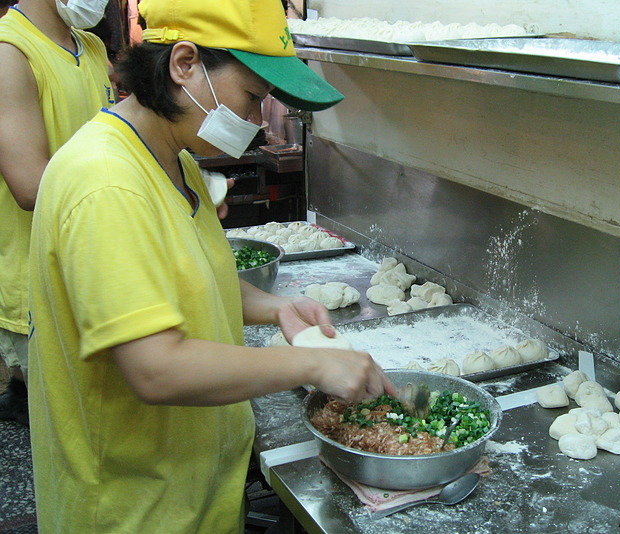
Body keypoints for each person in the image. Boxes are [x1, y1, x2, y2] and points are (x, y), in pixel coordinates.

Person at [27, 0, 394, 531]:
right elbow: (156, 368)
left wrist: (276, 308)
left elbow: (190, 278)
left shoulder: (172, 160)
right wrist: (314, 366)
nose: (250, 121)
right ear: (183, 63)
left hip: (193, 496)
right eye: (250, 99)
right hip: (134, 511)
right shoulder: (106, 184)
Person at [0, 0, 113, 426]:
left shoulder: (91, 46)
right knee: (68, 434)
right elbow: (30, 184)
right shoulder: (10, 53)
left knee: (107, 424)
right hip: (41, 279)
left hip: (94, 267)